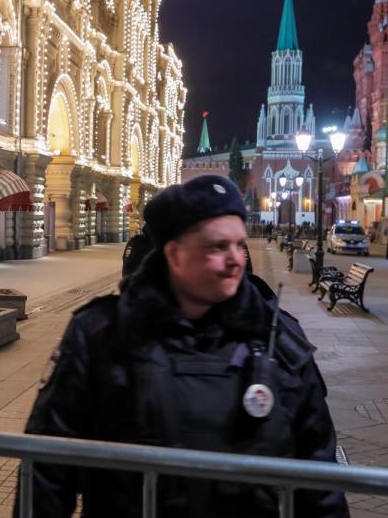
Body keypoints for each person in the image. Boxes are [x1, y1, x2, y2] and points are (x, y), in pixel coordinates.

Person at [18, 175, 348, 518]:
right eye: (217, 247)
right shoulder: (103, 335)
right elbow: (47, 469)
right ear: (174, 255)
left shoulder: (278, 339)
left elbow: (319, 476)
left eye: (239, 244)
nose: (237, 259)